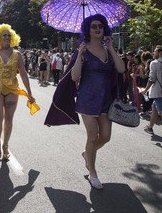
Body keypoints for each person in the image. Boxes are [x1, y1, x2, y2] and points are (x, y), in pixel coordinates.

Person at [45, 14, 125, 190]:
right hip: (87, 99)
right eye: (94, 26)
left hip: (106, 100)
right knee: (93, 136)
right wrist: (80, 54)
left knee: (106, 137)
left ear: (104, 29)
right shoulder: (82, 50)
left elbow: (121, 69)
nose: (97, 29)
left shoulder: (108, 50)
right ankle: (93, 173)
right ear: (88, 29)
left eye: (101, 26)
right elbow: (74, 77)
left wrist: (111, 49)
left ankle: (87, 154)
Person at [0, 23, 37, 161]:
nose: (6, 37)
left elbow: (23, 74)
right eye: (4, 35)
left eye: (9, 35)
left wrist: (29, 92)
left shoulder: (17, 54)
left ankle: (5, 145)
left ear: (12, 38)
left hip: (12, 88)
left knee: (9, 119)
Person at [142, 46, 162, 134]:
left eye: (155, 51)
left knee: (160, 112)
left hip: (158, 91)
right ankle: (150, 127)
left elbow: (152, 78)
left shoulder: (154, 63)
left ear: (160, 52)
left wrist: (146, 89)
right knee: (154, 109)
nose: (153, 53)